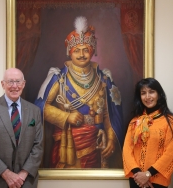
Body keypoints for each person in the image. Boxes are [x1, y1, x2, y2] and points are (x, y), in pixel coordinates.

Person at [35, 16, 124, 169]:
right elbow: (40, 108)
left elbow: (111, 114)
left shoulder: (104, 78)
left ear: (92, 51)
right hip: (68, 145)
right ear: (69, 52)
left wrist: (111, 139)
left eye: (86, 50)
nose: (81, 54)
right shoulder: (58, 78)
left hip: (97, 146)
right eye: (77, 50)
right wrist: (66, 116)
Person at [0, 68, 43, 188]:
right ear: (3, 84)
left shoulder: (35, 111)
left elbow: (38, 146)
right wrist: (7, 174)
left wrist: (23, 174)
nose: (15, 86)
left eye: (18, 82)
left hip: (25, 181)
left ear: (23, 84)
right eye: (10, 82)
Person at [123, 78, 173, 188]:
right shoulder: (135, 121)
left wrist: (148, 174)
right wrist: (139, 175)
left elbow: (171, 153)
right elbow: (127, 150)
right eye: (143, 93)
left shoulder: (171, 121)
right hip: (136, 179)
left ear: (159, 94)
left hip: (157, 180)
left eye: (151, 92)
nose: (147, 97)